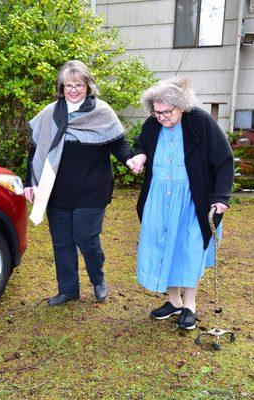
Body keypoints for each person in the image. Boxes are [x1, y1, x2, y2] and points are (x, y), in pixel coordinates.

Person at [24, 60, 137, 306]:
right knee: (62, 242)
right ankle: (68, 290)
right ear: (61, 87)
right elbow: (35, 149)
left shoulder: (102, 111)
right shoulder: (50, 113)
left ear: (88, 85)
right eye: (68, 85)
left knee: (86, 238)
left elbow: (118, 142)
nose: (73, 90)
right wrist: (29, 183)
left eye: (78, 85)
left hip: (92, 189)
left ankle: (98, 279)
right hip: (57, 190)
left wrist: (129, 160)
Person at [131, 76, 234, 329]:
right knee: (164, 246)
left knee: (188, 250)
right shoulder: (153, 124)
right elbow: (141, 144)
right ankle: (174, 301)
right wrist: (140, 156)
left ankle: (190, 305)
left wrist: (221, 197)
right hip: (158, 197)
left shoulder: (200, 122)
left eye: (168, 112)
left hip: (192, 198)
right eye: (157, 113)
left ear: (182, 106)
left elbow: (224, 159)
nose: (162, 117)